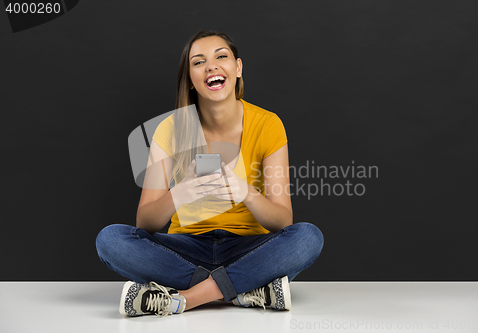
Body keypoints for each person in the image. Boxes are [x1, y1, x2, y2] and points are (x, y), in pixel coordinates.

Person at [95, 30, 324, 317]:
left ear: (237, 68)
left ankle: (188, 298)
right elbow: (145, 222)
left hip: (248, 248)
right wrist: (181, 192)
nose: (211, 66)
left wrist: (246, 193)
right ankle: (244, 290)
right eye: (199, 62)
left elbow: (283, 221)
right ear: (190, 80)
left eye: (221, 57)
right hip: (185, 249)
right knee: (110, 240)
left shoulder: (268, 124)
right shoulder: (170, 129)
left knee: (308, 237)